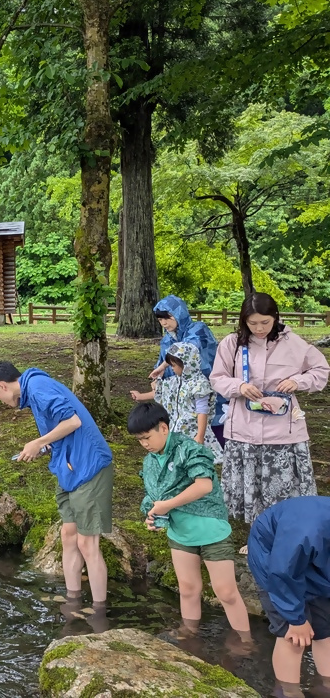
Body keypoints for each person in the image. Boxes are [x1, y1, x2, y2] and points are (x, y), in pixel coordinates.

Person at [0, 361, 113, 606]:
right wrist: (43, 447)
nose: (0, 402)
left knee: (88, 543)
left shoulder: (38, 387)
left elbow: (73, 422)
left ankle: (98, 611)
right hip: (68, 470)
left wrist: (37, 441)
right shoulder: (33, 393)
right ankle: (72, 601)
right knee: (68, 535)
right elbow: (61, 431)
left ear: (1, 386)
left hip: (89, 467)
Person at [209, 293, 329, 550]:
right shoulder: (232, 343)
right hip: (245, 429)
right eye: (253, 323)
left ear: (275, 317)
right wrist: (239, 386)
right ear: (244, 322)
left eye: (265, 322)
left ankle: (287, 541)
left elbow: (321, 371)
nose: (260, 329)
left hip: (283, 431)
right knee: (254, 488)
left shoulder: (293, 343)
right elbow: (216, 377)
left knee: (282, 490)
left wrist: (299, 381)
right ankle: (259, 540)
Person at [127, 402, 251, 640]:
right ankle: (190, 635)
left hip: (211, 529)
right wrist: (151, 517)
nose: (144, 444)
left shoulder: (190, 449)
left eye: (146, 437)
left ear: (163, 428)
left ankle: (245, 642)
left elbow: (204, 485)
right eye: (139, 440)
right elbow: (154, 497)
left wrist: (168, 505)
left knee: (226, 592)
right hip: (180, 533)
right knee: (188, 589)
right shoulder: (150, 461)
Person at [248, 496, 330, 698]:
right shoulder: (308, 529)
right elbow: (282, 572)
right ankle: (288, 692)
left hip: (313, 559)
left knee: (326, 630)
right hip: (273, 559)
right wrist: (296, 619)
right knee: (293, 637)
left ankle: (325, 687)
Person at [130, 341, 223, 463]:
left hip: (192, 432)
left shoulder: (199, 385)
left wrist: (200, 435)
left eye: (173, 366)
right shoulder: (174, 381)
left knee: (192, 460)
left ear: (186, 364)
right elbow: (161, 393)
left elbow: (202, 411)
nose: (172, 369)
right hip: (175, 429)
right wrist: (140, 396)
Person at [151, 294, 224, 447]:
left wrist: (163, 366)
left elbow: (189, 350)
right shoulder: (167, 339)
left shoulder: (198, 329)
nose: (164, 323)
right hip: (181, 397)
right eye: (160, 319)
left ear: (179, 314)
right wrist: (158, 379)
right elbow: (162, 361)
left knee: (213, 427)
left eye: (167, 318)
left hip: (203, 389)